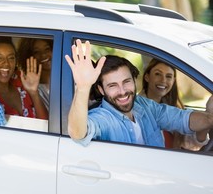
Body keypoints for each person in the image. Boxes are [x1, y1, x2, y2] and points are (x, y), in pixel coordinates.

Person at [64, 39, 213, 147]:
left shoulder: (144, 106)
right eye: (113, 85)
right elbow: (78, 133)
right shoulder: (103, 118)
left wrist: (210, 118)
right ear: (101, 90)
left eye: (126, 82)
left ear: (135, 80)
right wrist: (83, 87)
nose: (122, 91)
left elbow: (183, 119)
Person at [140, 59, 210, 150]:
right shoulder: (137, 109)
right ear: (147, 77)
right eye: (158, 74)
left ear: (173, 81)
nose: (163, 80)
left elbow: (195, 142)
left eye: (168, 76)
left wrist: (209, 112)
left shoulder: (174, 108)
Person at [0, 36, 48, 119]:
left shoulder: (22, 81)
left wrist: (34, 92)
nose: (6, 63)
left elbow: (45, 123)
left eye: (11, 58)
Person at [17, 38, 53, 109]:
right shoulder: (30, 88)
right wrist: (34, 92)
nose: (43, 55)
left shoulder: (69, 79)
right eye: (36, 52)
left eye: (47, 49)